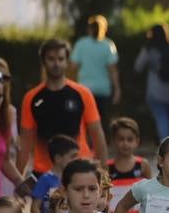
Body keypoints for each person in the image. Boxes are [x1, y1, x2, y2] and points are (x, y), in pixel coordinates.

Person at [18, 39, 107, 177]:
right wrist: (18, 179)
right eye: (51, 59)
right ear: (43, 61)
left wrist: (104, 174)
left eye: (60, 59)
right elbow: (25, 141)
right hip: (43, 173)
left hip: (79, 170)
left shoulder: (82, 93)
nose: (56, 64)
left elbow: (97, 134)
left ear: (67, 62)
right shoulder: (31, 98)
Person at [134, 23, 169, 141]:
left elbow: (138, 67)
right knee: (168, 118)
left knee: (161, 118)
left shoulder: (149, 49)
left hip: (156, 91)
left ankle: (165, 144)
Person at [69, 15, 121, 109]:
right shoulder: (108, 45)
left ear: (89, 29)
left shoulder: (81, 44)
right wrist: (117, 89)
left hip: (84, 89)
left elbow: (73, 67)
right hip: (103, 90)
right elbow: (113, 70)